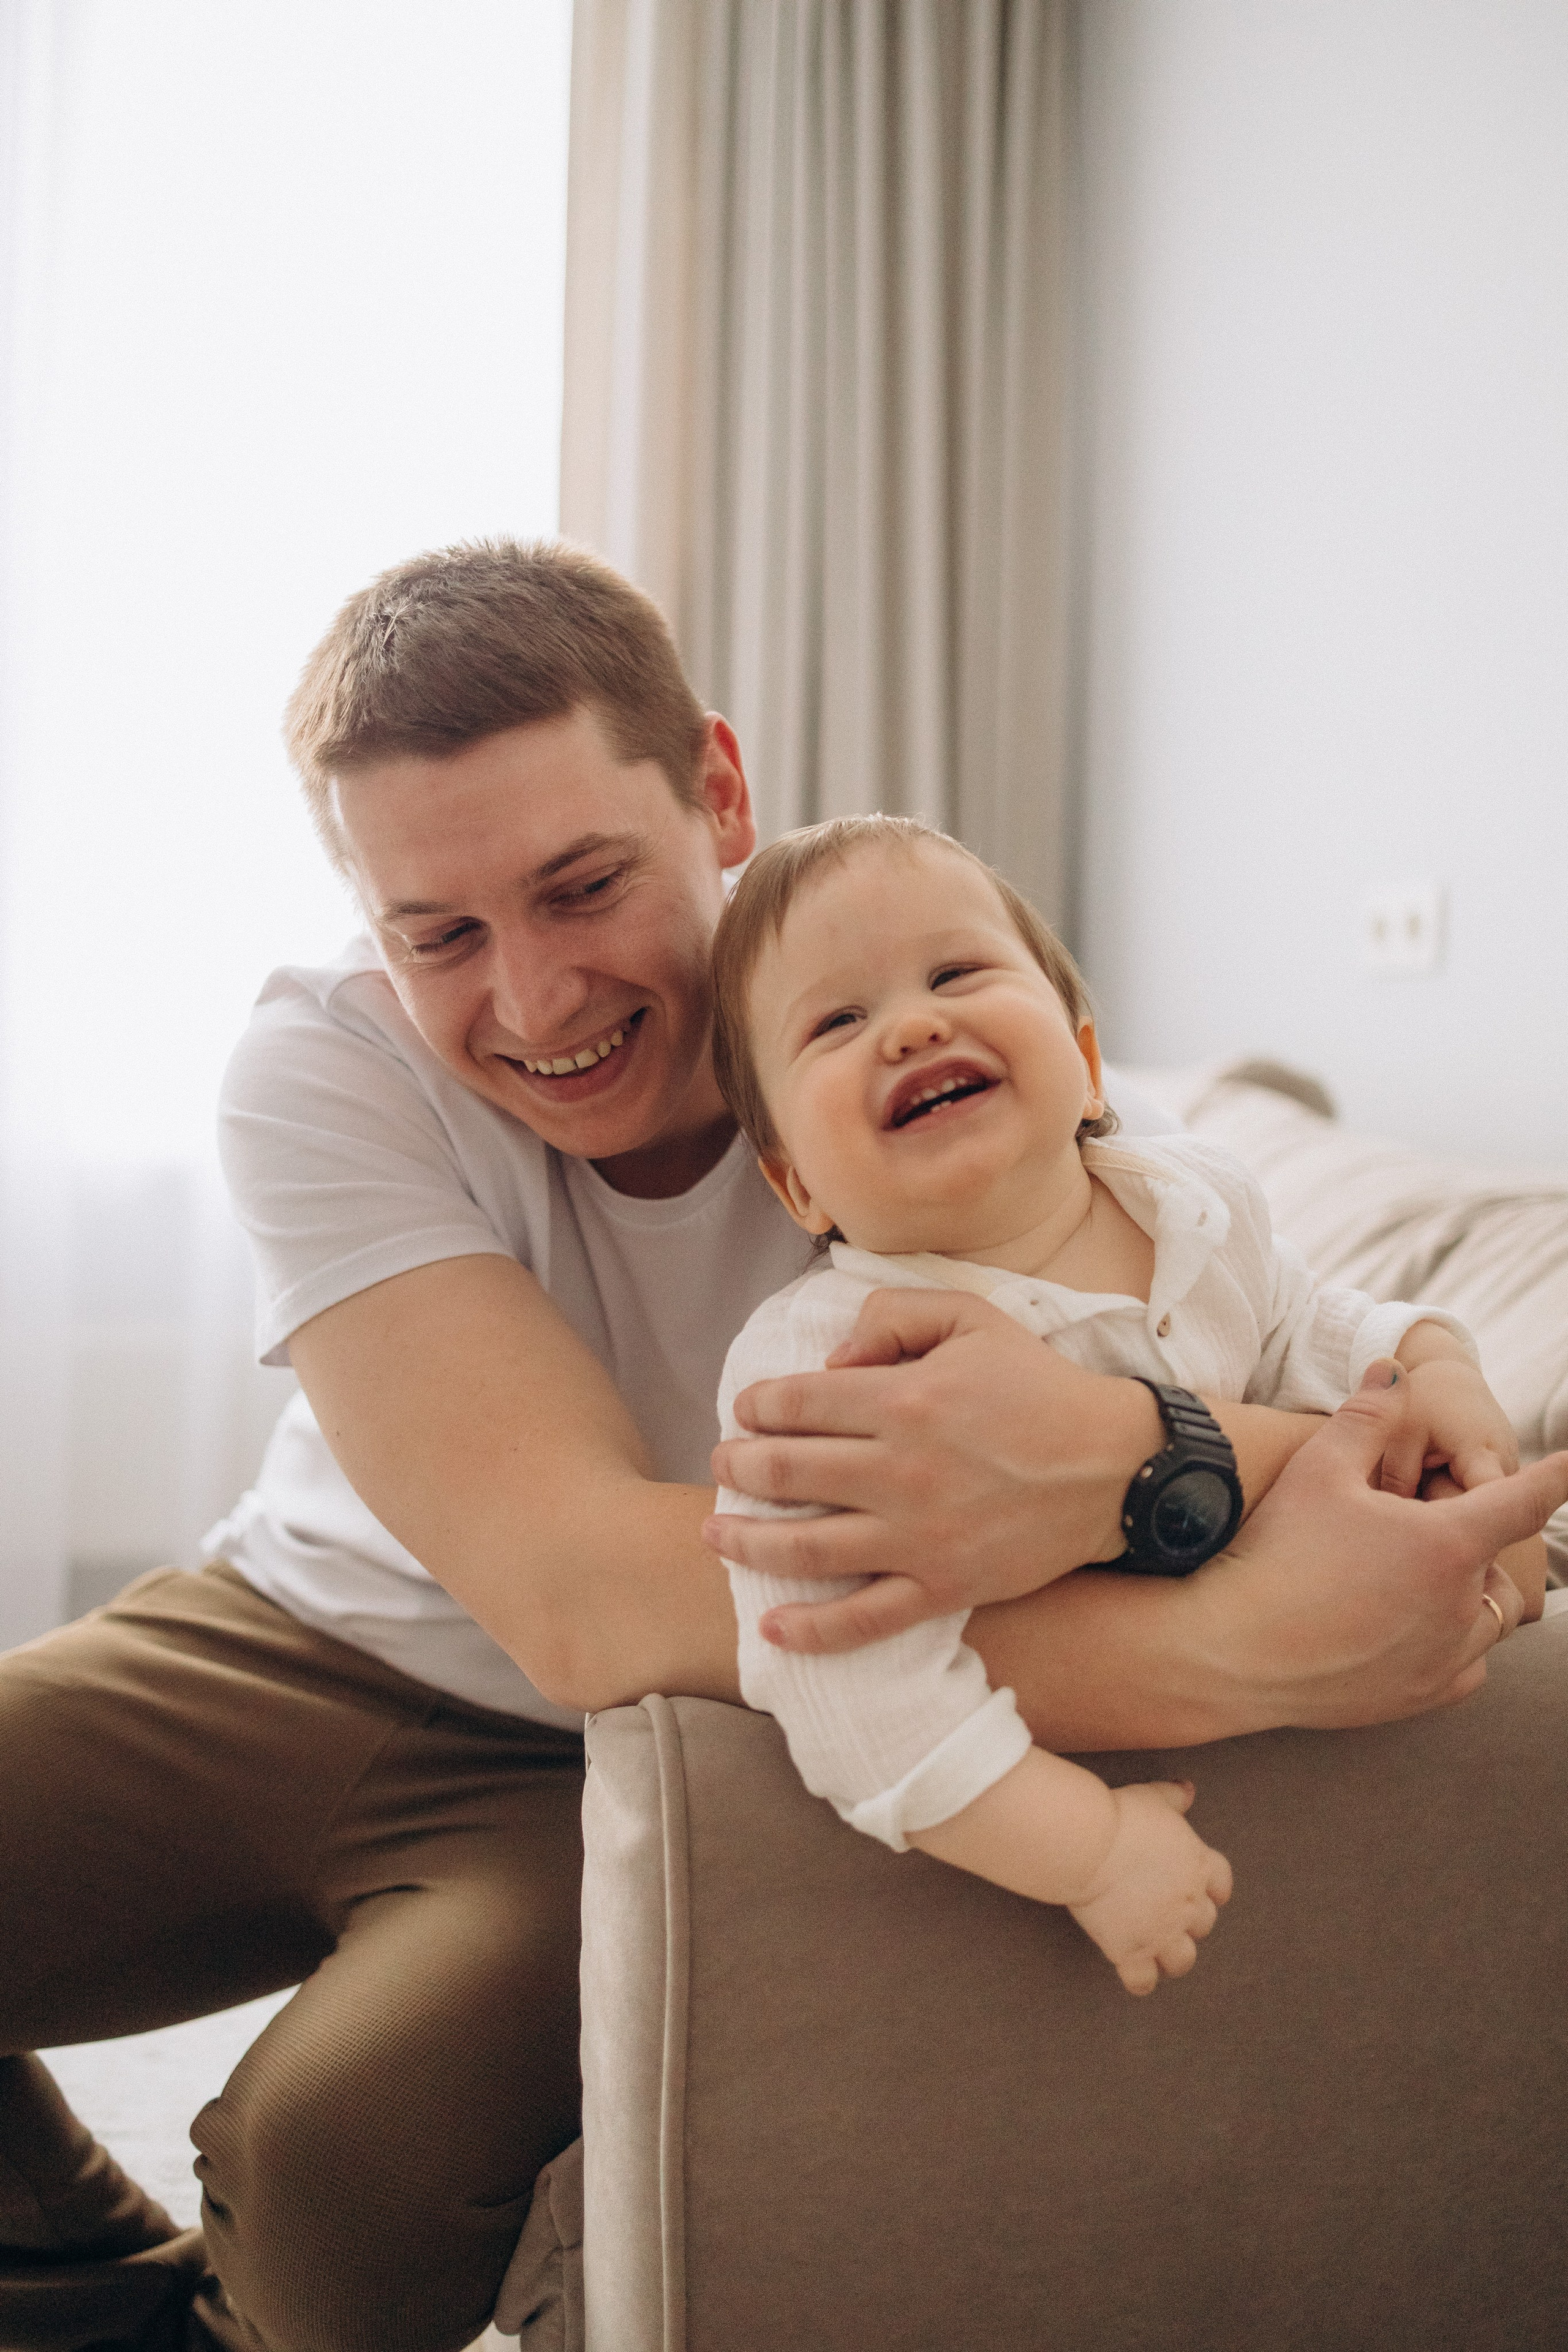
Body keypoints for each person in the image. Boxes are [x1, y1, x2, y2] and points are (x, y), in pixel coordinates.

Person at [2, 540, 1562, 2352]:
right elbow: (580, 1590)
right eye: (439, 935)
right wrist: (1216, 1627)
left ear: (718, 794)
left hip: (658, 1736)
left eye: (585, 886)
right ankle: (73, 2252)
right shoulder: (322, 1063)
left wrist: (1146, 1437)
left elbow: (1248, 1335)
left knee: (331, 2170)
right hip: (299, 1634)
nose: (535, 999)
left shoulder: (922, 1049)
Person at [706, 813, 1546, 1994]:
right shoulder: (819, 1371)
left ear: (1087, 1062)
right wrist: (1084, 1848)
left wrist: (1433, 1359)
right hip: (1100, 1813)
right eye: (836, 1022)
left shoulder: (1197, 1203)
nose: (913, 1025)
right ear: (796, 1182)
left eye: (957, 973)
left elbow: (1308, 1323)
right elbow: (837, 1683)